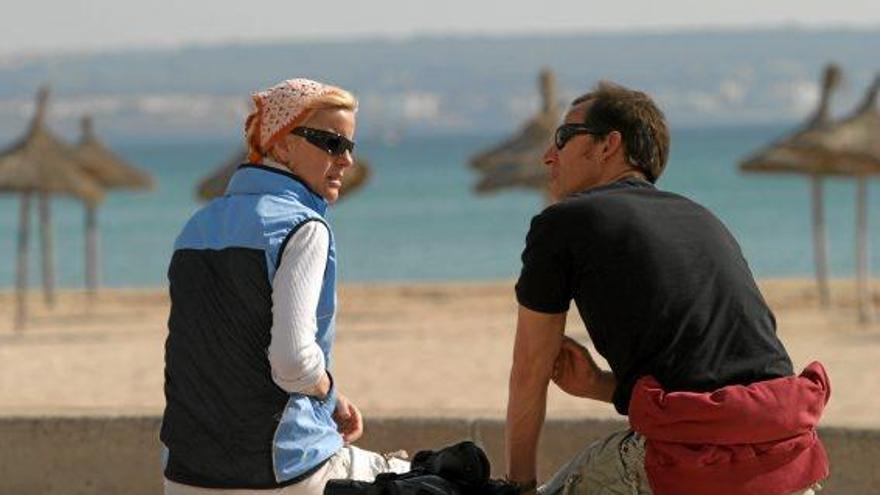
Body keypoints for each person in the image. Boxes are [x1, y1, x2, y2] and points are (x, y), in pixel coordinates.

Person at [504, 81, 830, 495]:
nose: (549, 155)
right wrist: (600, 385)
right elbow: (718, 382)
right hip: (788, 461)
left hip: (692, 464)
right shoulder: (702, 219)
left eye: (564, 137)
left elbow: (530, 369)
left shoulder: (563, 222)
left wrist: (518, 486)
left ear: (608, 145)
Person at [161, 78, 407, 495]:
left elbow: (226, 352)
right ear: (281, 144)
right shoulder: (304, 228)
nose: (345, 160)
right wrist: (325, 389)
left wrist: (330, 400)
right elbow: (292, 363)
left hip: (186, 475)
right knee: (422, 475)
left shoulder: (194, 228)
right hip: (282, 472)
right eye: (331, 142)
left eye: (350, 146)